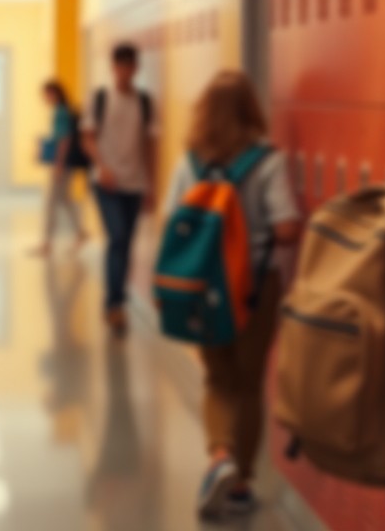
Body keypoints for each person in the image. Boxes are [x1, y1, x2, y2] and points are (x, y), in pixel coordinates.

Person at [161, 70, 300, 521]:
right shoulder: (268, 162)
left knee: (218, 377)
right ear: (250, 110)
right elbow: (285, 227)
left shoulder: (190, 162)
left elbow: (171, 218)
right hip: (255, 289)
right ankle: (239, 482)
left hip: (204, 286)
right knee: (249, 382)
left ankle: (219, 454)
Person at [80, 43, 158, 339]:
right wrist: (102, 166)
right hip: (106, 183)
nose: (125, 72)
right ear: (113, 67)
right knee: (118, 237)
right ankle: (115, 305)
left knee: (126, 245)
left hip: (135, 184)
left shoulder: (145, 103)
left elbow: (150, 145)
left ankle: (116, 302)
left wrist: (152, 186)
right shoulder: (99, 99)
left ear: (136, 68)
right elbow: (87, 138)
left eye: (130, 66)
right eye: (120, 66)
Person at [30, 81, 89, 257]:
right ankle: (80, 232)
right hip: (64, 163)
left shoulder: (60, 112)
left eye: (46, 94)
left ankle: (46, 243)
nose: (44, 98)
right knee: (64, 199)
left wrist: (58, 164)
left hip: (61, 164)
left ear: (54, 94)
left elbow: (64, 140)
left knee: (50, 203)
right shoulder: (61, 111)